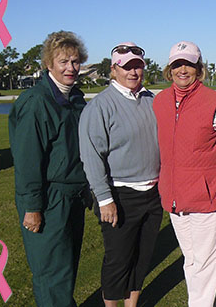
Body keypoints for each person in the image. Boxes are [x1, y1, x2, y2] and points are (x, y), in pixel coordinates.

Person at [9, 30, 90, 307]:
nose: (71, 68)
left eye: (75, 61)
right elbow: (27, 161)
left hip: (74, 197)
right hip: (48, 198)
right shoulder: (36, 102)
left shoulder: (76, 100)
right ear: (49, 64)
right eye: (63, 61)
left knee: (66, 269)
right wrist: (32, 207)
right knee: (51, 273)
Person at [78, 42, 162, 307]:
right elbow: (92, 156)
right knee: (118, 260)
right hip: (120, 195)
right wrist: (104, 199)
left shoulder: (151, 100)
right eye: (126, 67)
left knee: (142, 257)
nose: (133, 72)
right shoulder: (100, 106)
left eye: (137, 66)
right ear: (114, 70)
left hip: (153, 193)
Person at [153, 41, 216, 307]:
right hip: (174, 198)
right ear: (169, 68)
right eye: (177, 64)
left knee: (205, 265)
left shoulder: (215, 101)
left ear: (199, 68)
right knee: (194, 261)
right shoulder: (159, 101)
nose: (182, 69)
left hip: (207, 198)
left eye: (189, 64)